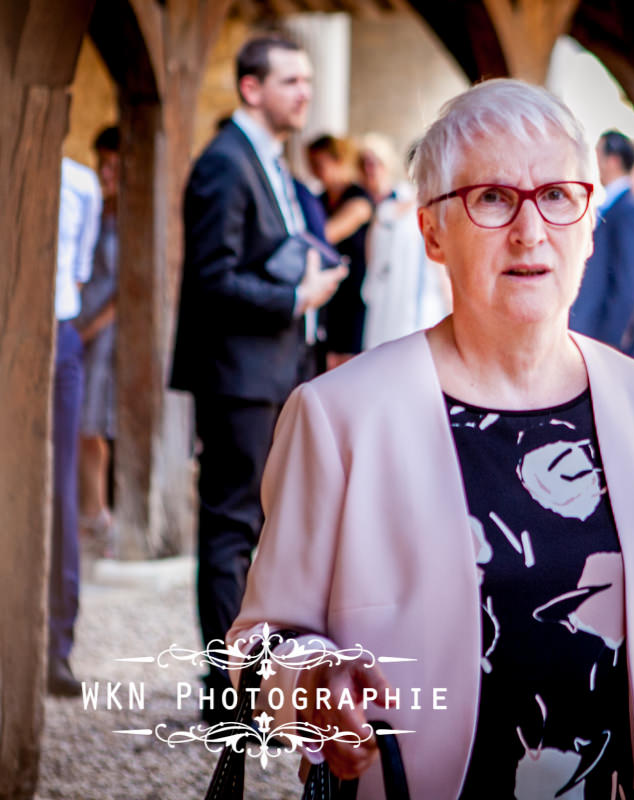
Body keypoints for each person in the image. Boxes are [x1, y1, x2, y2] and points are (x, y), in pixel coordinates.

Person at [228, 79, 634, 799]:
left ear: (587, 226)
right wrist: (313, 681)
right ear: (432, 232)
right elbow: (257, 648)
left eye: (557, 196)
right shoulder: (340, 415)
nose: (529, 230)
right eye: (491, 198)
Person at [169, 35, 347, 719]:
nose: (305, 92)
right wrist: (295, 299)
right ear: (251, 89)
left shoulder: (270, 163)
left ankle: (254, 690)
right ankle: (227, 700)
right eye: (291, 81)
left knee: (268, 536)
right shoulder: (223, 164)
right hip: (238, 378)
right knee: (229, 532)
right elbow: (212, 282)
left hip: (277, 371)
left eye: (307, 79)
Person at [47, 155, 101, 697]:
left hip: (60, 337)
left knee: (62, 492)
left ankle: (56, 645)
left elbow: (79, 272)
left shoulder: (82, 184)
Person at [358, 133, 450, 350]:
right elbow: (444, 276)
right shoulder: (432, 212)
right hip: (420, 317)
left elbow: (371, 263)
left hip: (386, 315)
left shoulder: (387, 211)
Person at [75, 126, 120, 553]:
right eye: (101, 162)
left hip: (106, 332)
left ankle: (99, 512)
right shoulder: (97, 209)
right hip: (82, 323)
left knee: (92, 424)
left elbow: (129, 287)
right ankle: (90, 510)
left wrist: (92, 327)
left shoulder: (130, 217)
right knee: (81, 424)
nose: (106, 171)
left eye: (113, 164)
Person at [570, 129, 634, 361]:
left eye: (598, 158)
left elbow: (630, 281)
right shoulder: (615, 208)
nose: (597, 167)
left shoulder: (628, 212)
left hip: (603, 345)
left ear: (612, 161)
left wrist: (608, 345)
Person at [307, 134, 374, 370]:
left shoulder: (359, 198)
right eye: (311, 165)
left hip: (354, 294)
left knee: (347, 367)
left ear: (338, 161)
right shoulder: (319, 199)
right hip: (327, 293)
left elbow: (327, 234)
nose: (315, 171)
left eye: (320, 164)